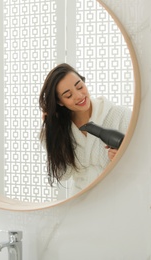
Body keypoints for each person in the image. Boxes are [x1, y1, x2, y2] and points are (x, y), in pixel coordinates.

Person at [39, 63, 131, 195]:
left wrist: (122, 158)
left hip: (116, 195)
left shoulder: (120, 115)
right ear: (60, 102)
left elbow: (141, 159)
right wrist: (51, 133)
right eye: (68, 95)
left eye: (79, 86)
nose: (79, 95)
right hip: (81, 199)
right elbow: (64, 174)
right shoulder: (64, 129)